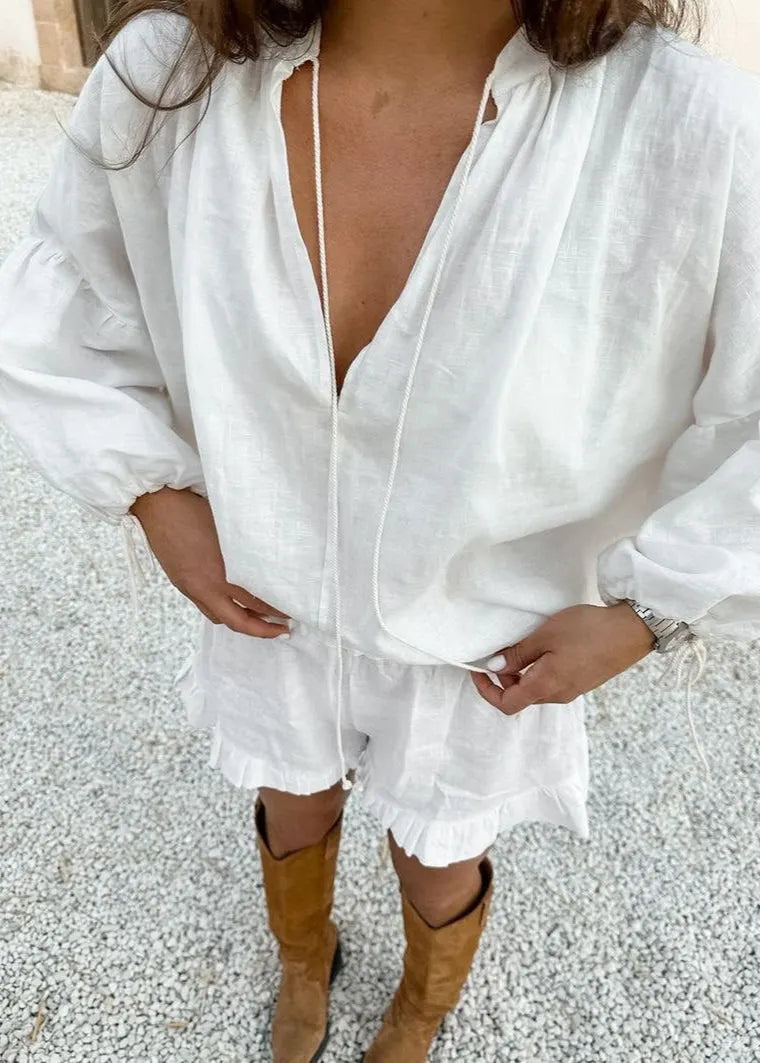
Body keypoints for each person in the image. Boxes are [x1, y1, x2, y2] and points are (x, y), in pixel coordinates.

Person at [1, 0, 759, 1059]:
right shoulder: (171, 75)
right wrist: (153, 494)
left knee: (437, 856)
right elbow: (75, 281)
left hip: (489, 644)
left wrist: (652, 611)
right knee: (291, 800)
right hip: (261, 599)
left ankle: (421, 1007)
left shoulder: (686, 126)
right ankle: (303, 957)